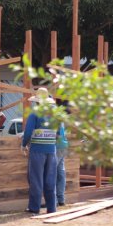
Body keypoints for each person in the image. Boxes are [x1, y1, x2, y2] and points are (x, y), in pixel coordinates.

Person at [21, 87, 58, 215]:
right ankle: (51, 208)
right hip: (52, 151)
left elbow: (28, 132)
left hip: (37, 150)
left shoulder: (34, 114)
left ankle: (34, 207)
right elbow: (58, 133)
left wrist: (23, 144)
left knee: (36, 179)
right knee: (50, 179)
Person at [55, 121, 69, 206]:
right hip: (63, 146)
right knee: (61, 174)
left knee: (52, 173)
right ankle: (61, 199)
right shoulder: (61, 120)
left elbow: (57, 135)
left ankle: (54, 200)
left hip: (57, 147)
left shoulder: (55, 119)